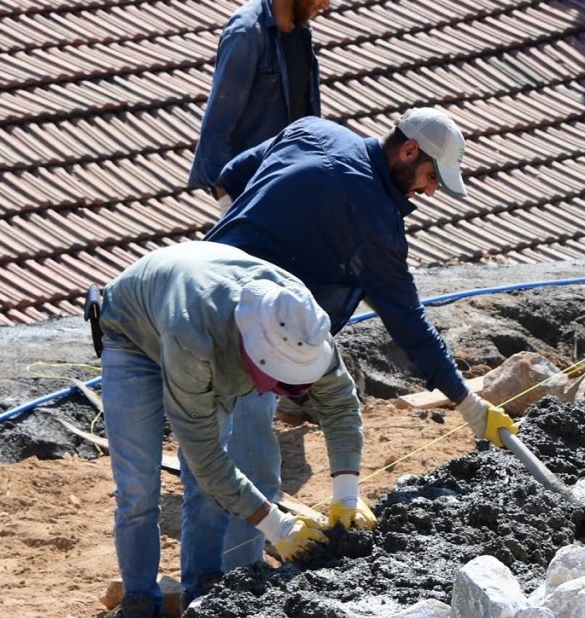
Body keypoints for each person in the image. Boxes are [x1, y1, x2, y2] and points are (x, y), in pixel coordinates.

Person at [205, 107, 519, 455]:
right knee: (248, 462)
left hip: (200, 283)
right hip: (254, 335)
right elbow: (410, 326)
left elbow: (229, 177)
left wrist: (246, 242)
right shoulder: (375, 224)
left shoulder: (315, 130)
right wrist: (469, 404)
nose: (430, 192)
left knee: (193, 434)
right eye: (432, 177)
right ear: (410, 150)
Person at [93, 240, 376, 618]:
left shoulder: (298, 318)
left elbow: (340, 403)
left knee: (209, 494)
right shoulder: (195, 338)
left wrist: (346, 494)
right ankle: (140, 601)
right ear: (254, 355)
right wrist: (278, 527)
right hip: (131, 335)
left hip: (201, 314)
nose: (281, 393)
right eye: (280, 382)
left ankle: (204, 596)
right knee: (138, 491)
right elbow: (204, 454)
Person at [187, 0, 357, 200]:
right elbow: (217, 125)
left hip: (289, 183)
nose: (326, 4)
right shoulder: (246, 33)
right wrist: (226, 199)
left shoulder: (302, 30)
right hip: (250, 190)